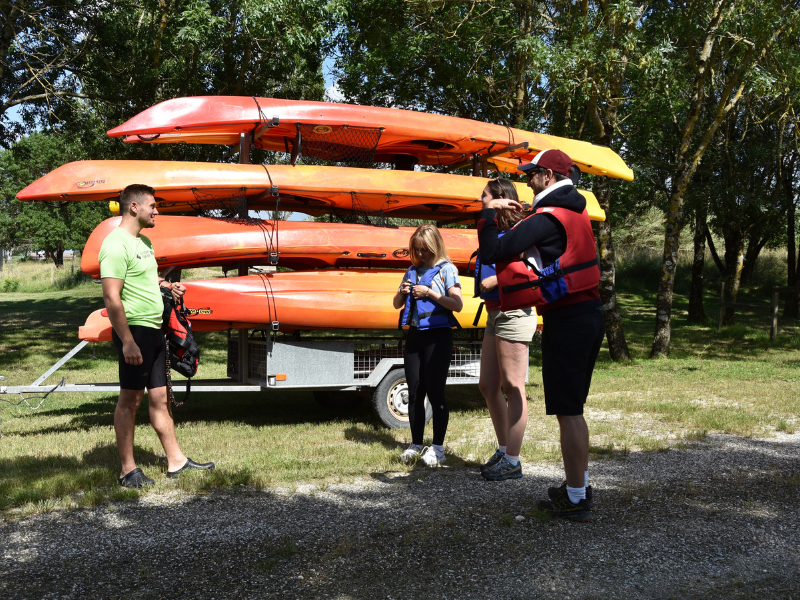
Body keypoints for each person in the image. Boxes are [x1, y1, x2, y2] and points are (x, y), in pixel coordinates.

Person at [478, 149, 604, 522]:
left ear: (548, 176)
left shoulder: (550, 215)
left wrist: (488, 213)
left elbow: (493, 249)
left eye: (531, 173)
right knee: (572, 411)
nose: (526, 179)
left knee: (568, 412)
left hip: (570, 321)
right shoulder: (573, 210)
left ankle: (577, 499)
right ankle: (575, 489)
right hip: (586, 316)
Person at [99, 184, 214, 488]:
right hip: (134, 332)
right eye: (153, 205)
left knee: (160, 399)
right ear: (134, 206)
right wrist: (127, 341)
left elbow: (150, 279)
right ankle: (127, 470)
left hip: (154, 331)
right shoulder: (114, 245)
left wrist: (166, 286)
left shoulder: (144, 241)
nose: (157, 211)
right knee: (130, 400)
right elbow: (112, 297)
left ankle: (176, 461)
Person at [474, 179, 538, 481]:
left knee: (513, 387)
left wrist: (497, 282)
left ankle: (513, 460)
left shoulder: (521, 230)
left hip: (515, 312)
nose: (480, 199)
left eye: (485, 196)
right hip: (493, 313)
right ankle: (503, 448)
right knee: (488, 385)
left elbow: (536, 267)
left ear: (499, 198)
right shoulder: (491, 229)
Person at [393, 224, 464, 467]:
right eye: (417, 249)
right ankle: (415, 444)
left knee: (435, 392)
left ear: (435, 246)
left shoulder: (447, 270)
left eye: (425, 250)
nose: (421, 254)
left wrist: (430, 293)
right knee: (414, 393)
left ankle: (438, 448)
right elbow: (395, 305)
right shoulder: (411, 271)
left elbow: (457, 304)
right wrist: (403, 293)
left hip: (438, 337)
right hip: (415, 336)